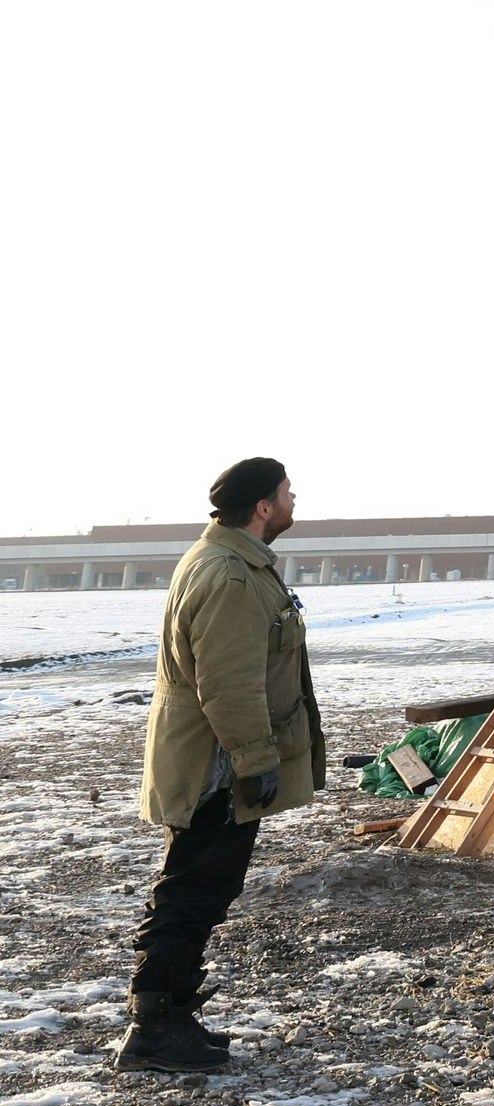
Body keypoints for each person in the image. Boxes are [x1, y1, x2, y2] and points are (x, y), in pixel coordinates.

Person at [120, 457, 324, 1073]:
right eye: (287, 494)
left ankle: (170, 1016)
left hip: (217, 760)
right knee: (193, 890)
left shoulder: (229, 561)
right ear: (263, 507)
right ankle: (153, 1028)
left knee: (200, 886)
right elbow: (229, 683)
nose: (295, 501)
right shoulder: (232, 575)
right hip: (217, 768)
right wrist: (256, 760)